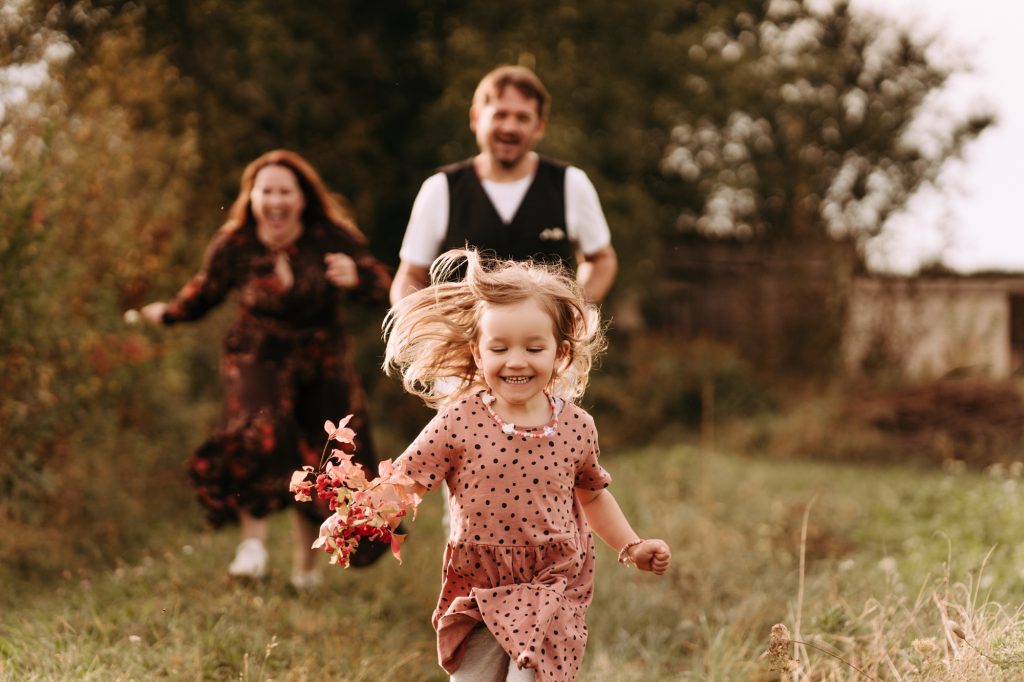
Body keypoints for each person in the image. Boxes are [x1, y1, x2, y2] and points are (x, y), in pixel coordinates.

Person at [382, 249, 671, 681]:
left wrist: (631, 546)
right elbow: (407, 480)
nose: (516, 361)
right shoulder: (459, 420)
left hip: (552, 585)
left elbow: (593, 496)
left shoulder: (576, 426)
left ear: (560, 354)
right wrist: (360, 513)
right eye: (499, 348)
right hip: (479, 586)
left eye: (534, 348)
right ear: (478, 353)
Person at [140, 149, 392, 588]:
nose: (275, 201)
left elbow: (387, 285)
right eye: (266, 192)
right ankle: (252, 548)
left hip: (322, 358)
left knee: (326, 459)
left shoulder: (330, 237)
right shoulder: (235, 243)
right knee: (261, 429)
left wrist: (358, 277)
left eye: (284, 192)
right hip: (257, 354)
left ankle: (305, 572)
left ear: (302, 198)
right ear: (252, 197)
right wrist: (167, 313)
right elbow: (205, 290)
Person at [390, 64, 618, 307]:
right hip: (462, 333)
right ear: (476, 118)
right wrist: (419, 324)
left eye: (522, 117)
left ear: (539, 127)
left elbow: (601, 260)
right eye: (500, 115)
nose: (510, 127)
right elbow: (411, 276)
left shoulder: (570, 183)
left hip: (544, 333)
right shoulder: (440, 189)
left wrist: (574, 312)